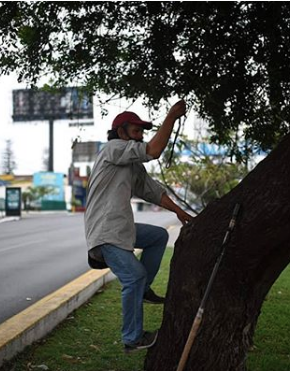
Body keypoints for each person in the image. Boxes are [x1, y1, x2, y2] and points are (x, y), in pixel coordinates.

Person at [84, 100, 193, 354]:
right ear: (121, 133)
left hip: (120, 229)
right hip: (105, 232)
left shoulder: (130, 164)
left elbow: (153, 191)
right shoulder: (113, 149)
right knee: (134, 275)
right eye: (136, 131)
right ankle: (132, 338)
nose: (141, 137)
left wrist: (180, 212)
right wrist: (171, 117)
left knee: (158, 236)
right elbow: (154, 150)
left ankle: (142, 291)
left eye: (142, 132)